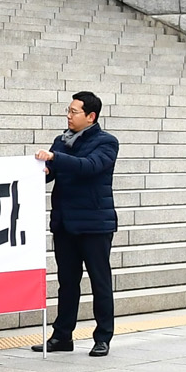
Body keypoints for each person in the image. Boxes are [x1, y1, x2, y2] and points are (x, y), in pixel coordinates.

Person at [34, 91, 119, 356]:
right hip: (65, 223)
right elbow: (52, 174)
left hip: (95, 224)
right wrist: (39, 171)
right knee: (67, 281)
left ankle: (103, 336)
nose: (68, 116)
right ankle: (62, 336)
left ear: (90, 116)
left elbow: (89, 167)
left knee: (99, 281)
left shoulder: (107, 142)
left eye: (74, 112)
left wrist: (54, 159)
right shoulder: (61, 141)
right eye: (68, 111)